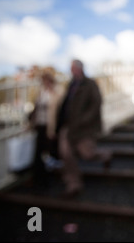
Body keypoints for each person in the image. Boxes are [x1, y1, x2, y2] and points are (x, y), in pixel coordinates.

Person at [56, 59, 110, 197]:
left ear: (79, 69)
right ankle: (73, 184)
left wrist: (84, 120)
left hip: (83, 129)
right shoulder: (71, 85)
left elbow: (97, 103)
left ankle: (105, 155)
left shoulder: (90, 84)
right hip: (68, 127)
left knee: (87, 154)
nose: (71, 70)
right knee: (66, 154)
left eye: (72, 68)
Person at [29, 70, 64, 187]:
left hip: (50, 126)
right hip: (40, 125)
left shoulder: (57, 91)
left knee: (50, 152)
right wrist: (31, 122)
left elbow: (60, 108)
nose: (45, 83)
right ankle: (39, 178)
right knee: (39, 153)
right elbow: (36, 109)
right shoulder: (41, 92)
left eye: (46, 80)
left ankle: (52, 177)